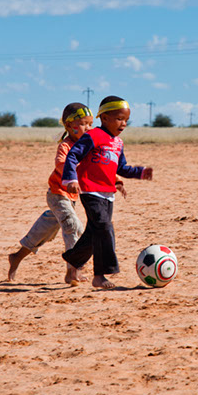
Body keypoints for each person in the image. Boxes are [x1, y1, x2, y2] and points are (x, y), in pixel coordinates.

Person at [7, 103, 126, 285]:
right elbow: (61, 164)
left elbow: (101, 165)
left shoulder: (89, 144)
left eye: (90, 124)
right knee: (73, 226)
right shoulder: (66, 146)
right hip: (58, 195)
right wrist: (73, 177)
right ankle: (72, 271)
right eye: (83, 124)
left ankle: (17, 256)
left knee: (42, 232)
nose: (88, 128)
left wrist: (116, 179)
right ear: (69, 126)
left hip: (72, 198)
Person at [60, 95, 153, 289]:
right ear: (104, 118)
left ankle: (73, 262)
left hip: (108, 194)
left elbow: (122, 167)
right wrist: (71, 179)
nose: (123, 123)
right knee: (104, 227)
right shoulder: (93, 136)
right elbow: (73, 155)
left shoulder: (118, 143)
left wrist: (140, 172)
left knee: (93, 234)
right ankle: (100, 275)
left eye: (126, 120)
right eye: (119, 119)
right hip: (90, 191)